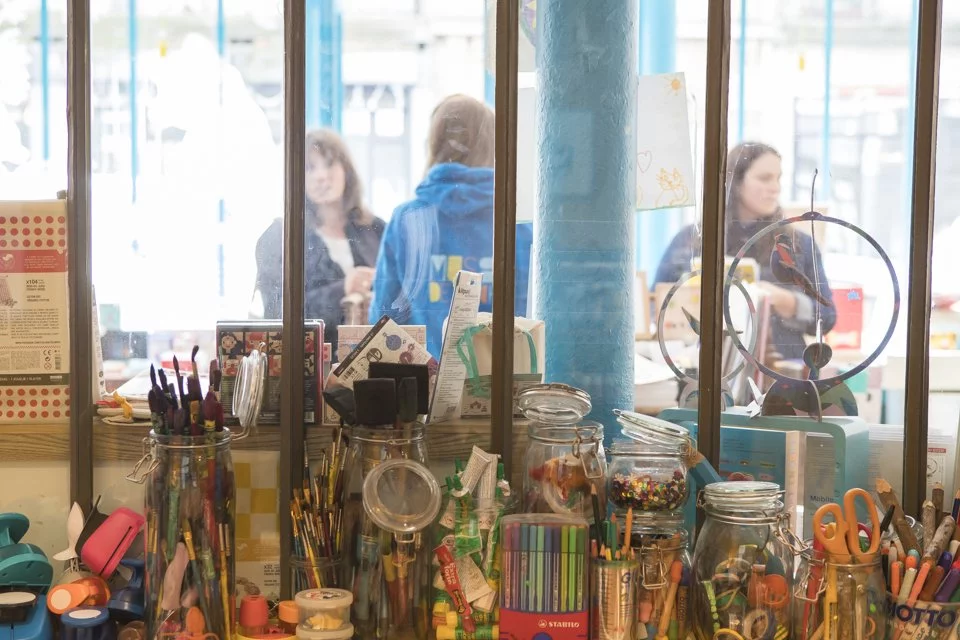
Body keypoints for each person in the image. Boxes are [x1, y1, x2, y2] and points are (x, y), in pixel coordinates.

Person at [369, 94, 533, 357]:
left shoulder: (407, 219)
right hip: (504, 386)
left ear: (433, 145)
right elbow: (531, 317)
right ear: (493, 146)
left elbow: (384, 322)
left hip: (426, 387)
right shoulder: (518, 221)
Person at [653, 142, 836, 360]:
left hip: (779, 376)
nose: (775, 187)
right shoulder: (691, 241)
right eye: (764, 178)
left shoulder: (799, 244)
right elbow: (657, 302)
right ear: (736, 182)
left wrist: (786, 301)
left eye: (778, 178)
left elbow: (827, 317)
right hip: (706, 370)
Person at [255, 129, 385, 352]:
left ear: (347, 170)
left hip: (376, 361)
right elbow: (277, 313)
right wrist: (344, 288)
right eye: (309, 168)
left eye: (330, 164)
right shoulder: (280, 237)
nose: (321, 176)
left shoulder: (376, 229)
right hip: (308, 367)